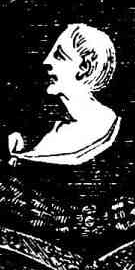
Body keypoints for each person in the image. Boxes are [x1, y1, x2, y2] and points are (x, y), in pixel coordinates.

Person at [9, 23, 120, 166]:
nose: (46, 62)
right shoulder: (58, 129)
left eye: (59, 56)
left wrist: (17, 155)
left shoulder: (95, 129)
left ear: (85, 68)